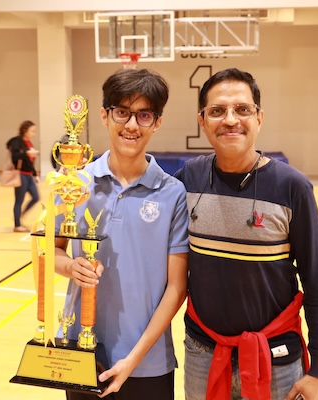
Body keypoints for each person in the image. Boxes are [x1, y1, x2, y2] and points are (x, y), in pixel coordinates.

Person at [174, 68, 318, 400]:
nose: (230, 119)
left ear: (259, 118)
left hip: (274, 359)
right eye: (217, 111)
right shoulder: (189, 178)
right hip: (202, 354)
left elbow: (316, 281)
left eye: (242, 109)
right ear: (202, 120)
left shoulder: (293, 187)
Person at [54, 68, 189, 400]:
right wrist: (71, 267)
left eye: (143, 115)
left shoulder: (173, 193)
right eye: (122, 112)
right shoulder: (74, 184)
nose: (131, 125)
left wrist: (133, 359)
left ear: (157, 122)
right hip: (82, 352)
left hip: (148, 362)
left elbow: (177, 286)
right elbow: (50, 252)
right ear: (104, 115)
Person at [6, 120, 40, 232]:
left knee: (36, 197)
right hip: (20, 175)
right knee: (19, 200)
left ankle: (20, 215)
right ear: (25, 130)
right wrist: (27, 153)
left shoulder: (29, 143)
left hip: (29, 175)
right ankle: (17, 225)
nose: (33, 134)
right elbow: (15, 156)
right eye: (32, 131)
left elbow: (30, 162)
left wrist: (35, 174)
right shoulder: (17, 142)